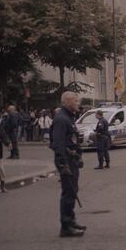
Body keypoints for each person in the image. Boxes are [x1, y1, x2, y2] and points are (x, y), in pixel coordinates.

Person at [51, 92, 86, 238]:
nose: (78, 103)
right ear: (67, 102)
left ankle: (71, 220)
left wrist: (78, 157)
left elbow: (72, 140)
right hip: (66, 161)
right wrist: (62, 164)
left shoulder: (69, 118)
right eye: (76, 101)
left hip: (72, 160)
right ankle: (65, 226)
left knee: (73, 191)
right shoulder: (61, 119)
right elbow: (58, 144)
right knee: (68, 193)